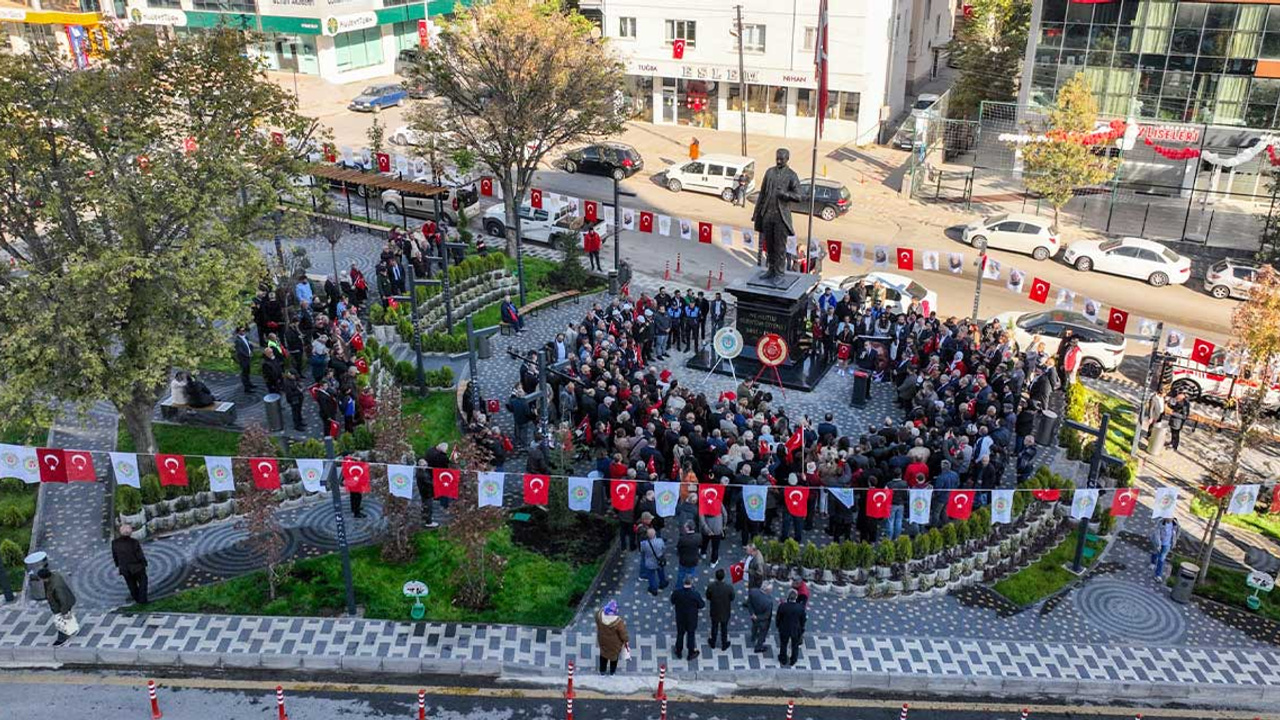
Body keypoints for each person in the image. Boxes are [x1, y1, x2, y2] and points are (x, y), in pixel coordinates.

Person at [111, 524, 148, 604]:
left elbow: (115, 556)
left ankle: (137, 598)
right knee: (143, 582)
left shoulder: (114, 543)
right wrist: (144, 563)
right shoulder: (134, 542)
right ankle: (143, 600)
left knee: (131, 585)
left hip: (125, 568)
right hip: (137, 567)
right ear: (130, 533)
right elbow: (139, 555)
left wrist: (118, 565)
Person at [670, 575, 705, 661]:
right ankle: (691, 653)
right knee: (691, 634)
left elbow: (672, 600)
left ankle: (678, 651)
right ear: (691, 583)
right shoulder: (695, 594)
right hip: (691, 618)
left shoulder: (677, 593)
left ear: (683, 583)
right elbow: (701, 605)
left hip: (680, 617)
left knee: (680, 634)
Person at [39, 567, 77, 646]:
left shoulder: (56, 587)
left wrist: (64, 612)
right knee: (68, 618)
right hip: (67, 602)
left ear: (45, 578)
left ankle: (62, 639)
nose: (41, 581)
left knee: (60, 623)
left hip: (61, 607)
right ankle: (73, 629)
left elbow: (63, 600)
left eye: (41, 579)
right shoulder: (54, 575)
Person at [594, 600, 629, 675]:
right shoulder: (618, 622)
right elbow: (623, 634)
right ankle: (612, 672)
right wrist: (626, 640)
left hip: (602, 640)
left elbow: (596, 619)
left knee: (603, 655)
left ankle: (602, 671)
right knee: (613, 658)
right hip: (614, 645)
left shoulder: (599, 615)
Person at [704, 567, 735, 652]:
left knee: (714, 627)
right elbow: (732, 597)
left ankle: (713, 643)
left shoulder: (711, 586)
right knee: (724, 628)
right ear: (724, 577)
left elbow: (708, 596)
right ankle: (724, 644)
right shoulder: (729, 587)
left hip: (714, 610)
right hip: (725, 610)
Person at [775, 589, 806, 667]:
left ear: (788, 597)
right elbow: (803, 619)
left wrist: (778, 626)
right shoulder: (800, 607)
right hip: (796, 629)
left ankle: (783, 659)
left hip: (784, 629)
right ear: (796, 597)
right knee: (795, 645)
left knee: (783, 644)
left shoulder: (782, 606)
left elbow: (778, 617)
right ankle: (793, 659)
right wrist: (801, 628)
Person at [747, 581, 775, 654]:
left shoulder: (753, 592)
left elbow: (749, 603)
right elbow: (767, 615)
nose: (771, 591)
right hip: (762, 620)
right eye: (770, 590)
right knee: (763, 633)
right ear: (767, 590)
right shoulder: (768, 602)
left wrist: (752, 614)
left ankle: (753, 637)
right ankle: (758, 647)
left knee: (754, 626)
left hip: (754, 616)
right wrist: (757, 617)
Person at [640, 527, 668, 596]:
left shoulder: (644, 544)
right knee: (661, 572)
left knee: (651, 576)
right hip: (659, 561)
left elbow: (642, 551)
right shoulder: (660, 541)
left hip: (649, 562)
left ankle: (653, 589)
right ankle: (663, 583)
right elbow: (664, 549)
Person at [676, 521, 701, 586]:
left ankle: (679, 587)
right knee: (691, 574)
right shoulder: (698, 537)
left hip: (683, 560)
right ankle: (690, 586)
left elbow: (679, 548)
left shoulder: (682, 538)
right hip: (694, 560)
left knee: (681, 574)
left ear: (687, 528)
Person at [233, 326, 255, 393]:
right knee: (244, 373)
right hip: (243, 359)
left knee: (248, 371)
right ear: (238, 331)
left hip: (248, 357)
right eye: (241, 331)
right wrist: (247, 355)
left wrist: (251, 350)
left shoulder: (246, 337)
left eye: (244, 330)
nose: (243, 332)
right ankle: (247, 388)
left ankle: (249, 384)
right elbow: (240, 350)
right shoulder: (237, 340)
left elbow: (249, 345)